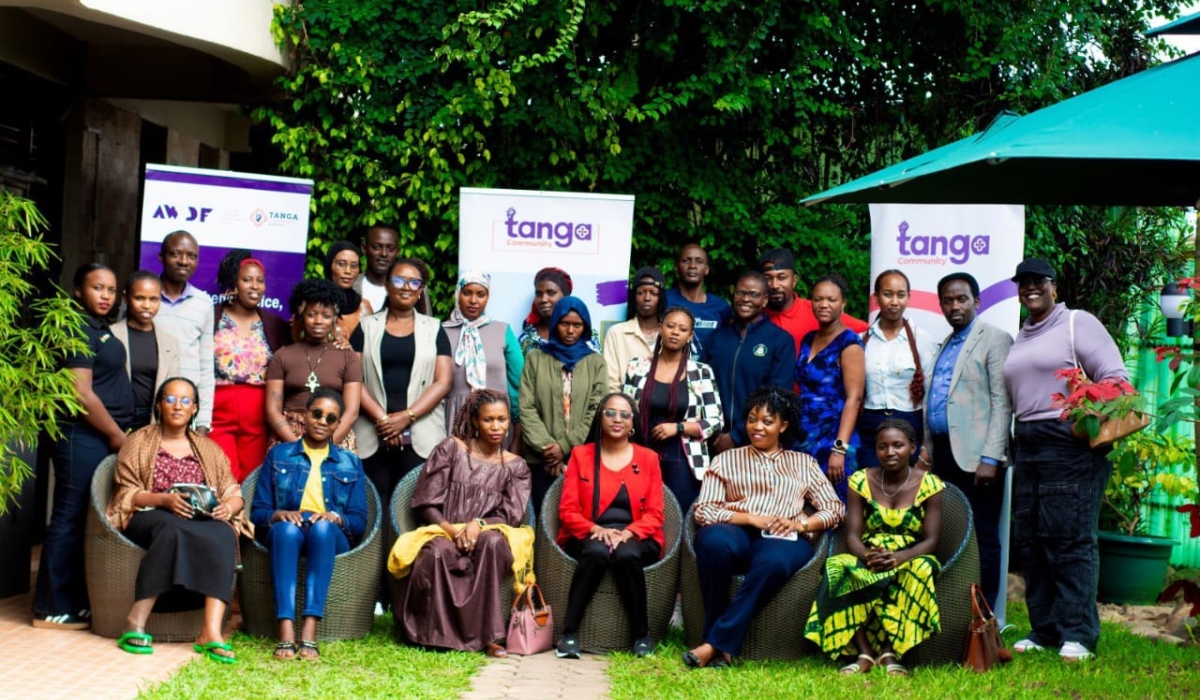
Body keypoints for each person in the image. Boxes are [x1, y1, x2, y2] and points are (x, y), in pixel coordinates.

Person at [1002, 258, 1126, 661]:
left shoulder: (1076, 323)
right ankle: (1046, 629)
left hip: (1068, 440)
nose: (1030, 288)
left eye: (1038, 281)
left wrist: (1080, 411)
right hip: (1029, 442)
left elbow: (1116, 379)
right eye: (1023, 283)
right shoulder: (1023, 334)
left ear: (1054, 286)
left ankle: (1079, 634)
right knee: (1033, 539)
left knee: (1069, 538)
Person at [685, 386, 844, 669]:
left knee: (774, 561)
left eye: (767, 422)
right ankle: (720, 644)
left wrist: (802, 523)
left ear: (783, 426)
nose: (757, 427)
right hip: (734, 529)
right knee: (713, 544)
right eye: (752, 420)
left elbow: (835, 509)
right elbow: (704, 510)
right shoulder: (726, 459)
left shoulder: (803, 463)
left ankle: (714, 643)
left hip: (782, 536)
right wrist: (748, 518)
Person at [105, 377, 251, 662]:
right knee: (170, 528)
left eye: (186, 401)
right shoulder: (139, 441)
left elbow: (233, 490)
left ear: (195, 408)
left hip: (198, 518)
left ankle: (210, 630)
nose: (177, 406)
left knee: (223, 533)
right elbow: (126, 492)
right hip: (150, 516)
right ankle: (135, 620)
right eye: (170, 399)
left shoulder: (207, 448)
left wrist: (228, 509)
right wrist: (163, 500)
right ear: (159, 405)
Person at [391, 389, 532, 656]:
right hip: (444, 529)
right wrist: (451, 530)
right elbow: (427, 502)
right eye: (488, 419)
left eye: (502, 419)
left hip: (489, 533)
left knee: (491, 544)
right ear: (475, 421)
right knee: (437, 553)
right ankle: (435, 634)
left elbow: (510, 515)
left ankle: (490, 637)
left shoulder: (516, 467)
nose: (496, 426)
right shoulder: (452, 449)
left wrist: (477, 525)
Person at [33, 263, 134, 630]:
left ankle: (73, 599)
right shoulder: (75, 327)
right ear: (78, 291)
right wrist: (115, 435)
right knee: (69, 516)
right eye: (97, 288)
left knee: (86, 518)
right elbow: (80, 393)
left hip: (100, 435)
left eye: (111, 289)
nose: (106, 295)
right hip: (81, 435)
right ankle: (50, 607)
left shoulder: (99, 327)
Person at [804, 419, 944, 677]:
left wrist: (899, 557)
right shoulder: (861, 480)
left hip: (912, 554)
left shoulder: (930, 484)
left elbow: (931, 541)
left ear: (912, 448)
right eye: (883, 447)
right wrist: (869, 557)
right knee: (837, 566)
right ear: (876, 450)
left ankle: (891, 651)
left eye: (898, 445)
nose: (890, 452)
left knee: (921, 570)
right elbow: (853, 535)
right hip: (870, 553)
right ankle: (865, 652)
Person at [251, 388, 368, 661]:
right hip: (287, 532)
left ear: (338, 425)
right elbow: (258, 512)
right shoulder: (279, 455)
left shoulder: (350, 463)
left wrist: (336, 518)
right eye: (316, 414)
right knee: (286, 530)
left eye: (330, 418)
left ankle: (310, 630)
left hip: (329, 535)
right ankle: (286, 631)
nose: (322, 421)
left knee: (323, 528)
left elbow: (359, 521)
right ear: (304, 415)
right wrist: (279, 515)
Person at [920, 272, 1012, 611]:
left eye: (961, 299)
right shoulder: (946, 343)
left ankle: (985, 621)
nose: (954, 305)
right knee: (952, 534)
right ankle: (956, 615)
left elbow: (1002, 402)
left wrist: (991, 457)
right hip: (943, 455)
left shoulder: (995, 338)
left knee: (984, 538)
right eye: (947, 300)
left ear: (977, 301)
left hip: (978, 458)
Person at [555, 393, 664, 659]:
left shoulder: (648, 458)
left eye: (625, 415)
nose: (618, 419)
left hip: (637, 534)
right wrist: (596, 530)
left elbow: (655, 513)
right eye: (610, 413)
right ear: (600, 418)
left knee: (626, 554)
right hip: (589, 532)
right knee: (597, 552)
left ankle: (642, 637)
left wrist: (628, 533)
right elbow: (567, 510)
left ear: (633, 423)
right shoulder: (581, 455)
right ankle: (568, 635)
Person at [352, 258, 452, 510]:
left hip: (422, 433)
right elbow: (353, 379)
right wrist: (384, 421)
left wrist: (407, 416)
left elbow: (443, 381)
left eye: (414, 282)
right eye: (399, 280)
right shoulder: (365, 326)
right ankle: (373, 553)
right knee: (374, 509)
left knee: (414, 512)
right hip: (371, 433)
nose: (406, 287)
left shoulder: (435, 328)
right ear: (387, 285)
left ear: (420, 290)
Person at [621, 307, 723, 515]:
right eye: (670, 326)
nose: (675, 332)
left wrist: (678, 427)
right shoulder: (637, 367)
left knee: (677, 516)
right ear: (661, 328)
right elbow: (626, 412)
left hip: (683, 457)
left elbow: (716, 421)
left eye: (682, 329)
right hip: (641, 451)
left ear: (690, 336)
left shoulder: (701, 372)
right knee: (638, 513)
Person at [519, 296, 608, 511]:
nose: (570, 330)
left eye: (577, 325)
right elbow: (526, 407)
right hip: (541, 459)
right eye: (564, 323)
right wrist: (550, 450)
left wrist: (565, 447)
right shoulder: (535, 359)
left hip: (582, 456)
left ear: (585, 327)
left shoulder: (595, 362)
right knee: (542, 516)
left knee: (579, 517)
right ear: (554, 323)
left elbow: (596, 409)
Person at [209, 250, 291, 481]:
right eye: (247, 280)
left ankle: (246, 518)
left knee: (252, 478)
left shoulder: (274, 324)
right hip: (218, 411)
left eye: (260, 280)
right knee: (222, 475)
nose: (254, 286)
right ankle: (225, 518)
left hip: (258, 413)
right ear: (234, 283)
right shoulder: (213, 317)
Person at [700, 271, 794, 454]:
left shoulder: (779, 340)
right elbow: (700, 386)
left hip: (757, 440)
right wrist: (710, 430)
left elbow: (777, 396)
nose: (746, 299)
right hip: (712, 438)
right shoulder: (717, 337)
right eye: (741, 293)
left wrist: (736, 435)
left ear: (765, 299)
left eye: (754, 294)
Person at [266, 279, 362, 453]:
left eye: (326, 315)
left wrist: (328, 445)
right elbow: (273, 410)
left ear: (334, 318)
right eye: (311, 315)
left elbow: (351, 411)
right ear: (302, 317)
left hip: (334, 435)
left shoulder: (348, 357)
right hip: (290, 436)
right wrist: (297, 446)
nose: (318, 321)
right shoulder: (283, 355)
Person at [794, 274, 866, 502]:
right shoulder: (808, 339)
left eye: (831, 300)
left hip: (833, 437)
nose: (824, 304)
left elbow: (854, 398)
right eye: (818, 299)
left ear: (843, 303)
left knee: (834, 505)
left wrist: (839, 449)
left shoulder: (849, 343)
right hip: (803, 436)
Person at [857, 270, 940, 467]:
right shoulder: (861, 340)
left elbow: (931, 398)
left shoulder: (923, 339)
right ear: (876, 298)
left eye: (901, 295)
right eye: (887, 294)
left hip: (910, 424)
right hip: (871, 424)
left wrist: (926, 448)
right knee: (871, 490)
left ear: (908, 298)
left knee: (908, 493)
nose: (894, 301)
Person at [441, 270, 524, 447]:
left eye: (480, 294)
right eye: (467, 293)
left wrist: (517, 433)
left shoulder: (503, 331)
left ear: (488, 298)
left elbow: (518, 383)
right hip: (455, 419)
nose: (473, 300)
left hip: (497, 422)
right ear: (458, 294)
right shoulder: (441, 332)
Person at [155, 230, 215, 435]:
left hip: (185, 412)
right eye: (175, 254)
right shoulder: (145, 296)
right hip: (148, 407)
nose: (183, 261)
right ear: (161, 257)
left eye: (191, 256)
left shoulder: (204, 303)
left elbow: (206, 367)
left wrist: (203, 422)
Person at [759, 248, 866, 354]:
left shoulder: (818, 310)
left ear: (794, 280)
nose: (774, 285)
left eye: (782, 278)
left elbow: (867, 330)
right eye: (768, 278)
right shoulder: (754, 317)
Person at [111, 271, 180, 431]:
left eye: (153, 299)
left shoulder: (170, 343)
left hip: (153, 421)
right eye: (139, 298)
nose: (147, 305)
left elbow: (171, 389)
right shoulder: (111, 335)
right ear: (126, 297)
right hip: (115, 420)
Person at [602, 267, 666, 392]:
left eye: (653, 293)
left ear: (661, 298)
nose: (647, 298)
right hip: (626, 408)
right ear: (633, 297)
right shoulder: (617, 333)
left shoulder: (671, 334)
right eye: (641, 292)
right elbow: (610, 383)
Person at [517, 267, 600, 354]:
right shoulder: (527, 337)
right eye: (539, 294)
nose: (543, 299)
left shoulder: (586, 335)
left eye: (551, 293)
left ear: (566, 296)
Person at [665, 243, 730, 352]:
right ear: (676, 267)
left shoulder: (721, 306)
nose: (692, 266)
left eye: (699, 261)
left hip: (708, 368)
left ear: (706, 269)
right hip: (672, 368)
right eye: (686, 260)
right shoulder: (664, 300)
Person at [325, 240, 374, 343]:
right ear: (330, 266)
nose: (348, 271)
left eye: (353, 266)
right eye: (341, 264)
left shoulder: (364, 306)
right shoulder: (315, 303)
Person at [353, 226, 398, 313]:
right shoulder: (350, 286)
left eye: (390, 248)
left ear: (397, 251)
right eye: (377, 247)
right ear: (364, 248)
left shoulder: (410, 289)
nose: (384, 254)